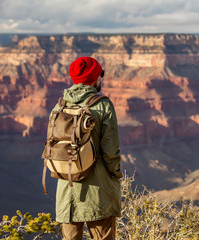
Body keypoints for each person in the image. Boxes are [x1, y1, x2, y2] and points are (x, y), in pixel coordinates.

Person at [50, 56, 122, 240]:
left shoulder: (58, 107)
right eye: (100, 75)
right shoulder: (103, 105)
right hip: (98, 190)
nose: (101, 79)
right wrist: (115, 175)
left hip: (67, 188)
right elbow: (111, 151)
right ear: (94, 78)